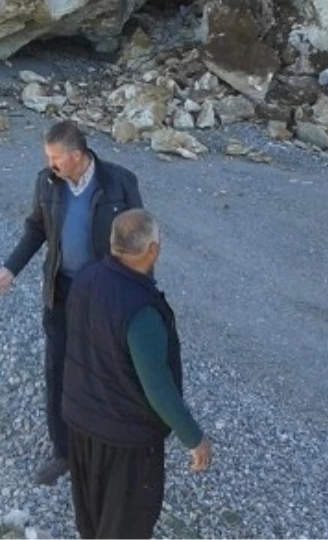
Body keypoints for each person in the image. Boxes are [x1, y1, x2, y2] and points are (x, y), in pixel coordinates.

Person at [0, 121, 142, 485]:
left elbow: (138, 241)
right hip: (61, 292)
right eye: (48, 157)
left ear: (77, 156)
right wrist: (11, 268)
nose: (50, 164)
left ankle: (107, 449)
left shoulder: (119, 182)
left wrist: (138, 295)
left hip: (104, 298)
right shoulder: (47, 182)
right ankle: (64, 451)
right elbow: (36, 229)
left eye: (55, 158)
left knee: (105, 371)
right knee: (57, 369)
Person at [62, 209, 212, 539]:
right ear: (152, 251)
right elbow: (157, 384)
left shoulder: (86, 278)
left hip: (81, 423)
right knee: (125, 526)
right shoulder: (140, 310)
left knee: (92, 520)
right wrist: (194, 438)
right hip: (124, 443)